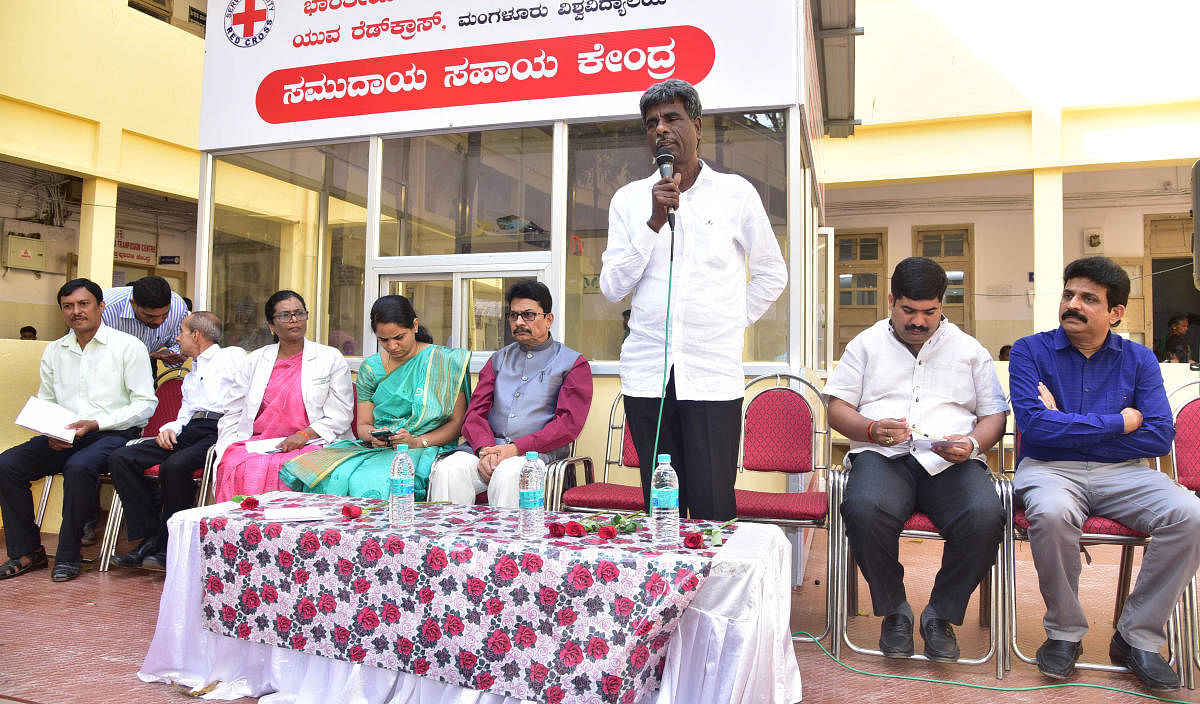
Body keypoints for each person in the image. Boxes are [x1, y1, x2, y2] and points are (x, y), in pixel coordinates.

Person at [1009, 256, 1200, 692]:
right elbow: (1035, 428)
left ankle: (1137, 637)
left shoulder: (1139, 359)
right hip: (1050, 470)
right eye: (1068, 294)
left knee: (1189, 514)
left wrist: (1067, 425)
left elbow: (1158, 437)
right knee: (1053, 512)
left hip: (1125, 474)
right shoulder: (1029, 351)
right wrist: (1120, 422)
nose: (1072, 304)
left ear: (1115, 313)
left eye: (1088, 299)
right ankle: (1064, 633)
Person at [599, 78, 787, 521]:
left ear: (697, 127)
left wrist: (730, 320)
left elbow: (771, 273)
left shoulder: (735, 193)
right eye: (651, 124)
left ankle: (714, 592)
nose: (660, 130)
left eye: (671, 119)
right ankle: (668, 589)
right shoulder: (629, 201)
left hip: (711, 373)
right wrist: (653, 222)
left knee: (712, 504)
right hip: (648, 374)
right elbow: (611, 287)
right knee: (660, 506)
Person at [823, 257, 1007, 662]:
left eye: (929, 311)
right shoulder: (866, 344)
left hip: (950, 463)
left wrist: (973, 445)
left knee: (985, 515)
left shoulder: (968, 349)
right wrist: (870, 429)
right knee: (863, 507)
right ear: (891, 300)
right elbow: (837, 409)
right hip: (883, 457)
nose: (919, 321)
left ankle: (940, 615)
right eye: (908, 310)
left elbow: (995, 415)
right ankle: (895, 611)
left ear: (943, 304)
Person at [0, 279, 156, 582]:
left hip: (114, 433)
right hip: (65, 434)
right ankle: (27, 552)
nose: (76, 312)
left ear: (100, 307)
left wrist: (97, 423)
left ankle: (68, 555)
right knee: (7, 465)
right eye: (68, 306)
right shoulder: (55, 350)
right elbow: (47, 400)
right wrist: (51, 431)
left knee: (79, 467)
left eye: (83, 304)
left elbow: (145, 404)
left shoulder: (128, 347)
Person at [279, 295, 471, 500]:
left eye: (399, 337)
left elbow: (457, 423)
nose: (392, 346)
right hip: (380, 449)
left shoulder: (446, 362)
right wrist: (373, 436)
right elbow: (363, 424)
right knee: (328, 475)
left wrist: (415, 442)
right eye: (383, 340)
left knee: (380, 481)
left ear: (414, 326)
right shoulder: (371, 369)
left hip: (428, 445)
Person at [428, 281, 593, 507]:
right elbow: (475, 414)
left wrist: (515, 449)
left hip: (534, 456)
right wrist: (485, 450)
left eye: (528, 315)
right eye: (513, 315)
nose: (519, 322)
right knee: (449, 469)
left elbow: (567, 425)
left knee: (509, 471)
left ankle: (504, 542)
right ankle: (450, 540)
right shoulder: (499, 359)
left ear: (549, 319)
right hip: (486, 451)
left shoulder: (572, 363)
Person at [106, 312, 246, 569]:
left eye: (181, 332)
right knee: (120, 457)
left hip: (220, 429)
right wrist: (169, 428)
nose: (177, 338)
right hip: (190, 429)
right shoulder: (192, 371)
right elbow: (185, 412)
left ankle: (168, 544)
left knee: (175, 466)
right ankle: (151, 537)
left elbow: (247, 397)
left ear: (196, 335)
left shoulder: (231, 357)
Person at [213, 290, 354, 502]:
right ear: (271, 325)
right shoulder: (254, 361)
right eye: (285, 315)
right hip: (260, 443)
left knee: (291, 467)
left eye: (299, 313)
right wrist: (226, 447)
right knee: (235, 463)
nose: (294, 320)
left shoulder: (329, 358)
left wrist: (304, 435)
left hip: (313, 442)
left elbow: (341, 415)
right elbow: (234, 412)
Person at [102, 276, 189, 368]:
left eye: (165, 314)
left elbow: (180, 344)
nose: (158, 322)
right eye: (150, 316)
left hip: (147, 366)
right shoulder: (106, 308)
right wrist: (147, 355)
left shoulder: (178, 307)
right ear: (133, 304)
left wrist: (170, 353)